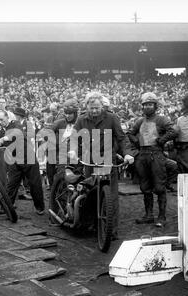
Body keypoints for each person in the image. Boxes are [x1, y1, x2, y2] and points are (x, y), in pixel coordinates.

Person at [71, 92, 135, 239]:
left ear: (102, 106)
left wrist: (127, 153)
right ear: (86, 106)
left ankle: (111, 230)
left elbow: (122, 138)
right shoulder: (81, 120)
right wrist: (73, 151)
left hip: (107, 160)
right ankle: (92, 225)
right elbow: (74, 138)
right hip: (89, 161)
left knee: (110, 195)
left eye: (97, 108)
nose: (94, 111)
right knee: (90, 193)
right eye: (92, 108)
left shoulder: (111, 118)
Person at [128, 92, 176, 227]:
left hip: (156, 154)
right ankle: (149, 215)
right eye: (145, 105)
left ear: (155, 106)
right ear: (142, 107)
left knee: (160, 187)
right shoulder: (139, 121)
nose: (148, 107)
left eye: (150, 105)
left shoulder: (162, 119)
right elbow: (130, 133)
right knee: (145, 187)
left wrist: (161, 140)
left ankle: (162, 216)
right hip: (142, 155)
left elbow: (173, 131)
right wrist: (137, 143)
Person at [0, 109, 46, 216]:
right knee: (11, 185)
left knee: (35, 185)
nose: (0, 122)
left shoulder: (16, 124)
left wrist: (4, 138)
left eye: (2, 119)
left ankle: (40, 208)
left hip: (28, 158)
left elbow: (18, 133)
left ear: (7, 118)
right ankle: (5, 207)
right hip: (15, 161)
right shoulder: (1, 132)